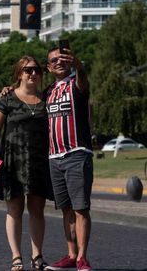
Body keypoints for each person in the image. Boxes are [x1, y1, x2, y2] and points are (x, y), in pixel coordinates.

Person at [0, 55, 53, 271]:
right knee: (14, 208)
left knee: (37, 209)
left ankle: (37, 256)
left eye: (37, 70)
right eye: (28, 70)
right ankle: (16, 257)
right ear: (19, 75)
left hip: (39, 161)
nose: (34, 73)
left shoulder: (47, 98)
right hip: (12, 160)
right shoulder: (7, 98)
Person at [43, 45, 94, 271]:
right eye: (54, 60)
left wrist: (78, 64)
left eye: (63, 59)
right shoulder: (48, 91)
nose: (59, 62)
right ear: (48, 67)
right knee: (65, 209)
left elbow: (82, 76)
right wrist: (8, 89)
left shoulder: (77, 84)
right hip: (55, 157)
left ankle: (83, 257)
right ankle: (71, 254)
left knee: (80, 208)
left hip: (77, 154)